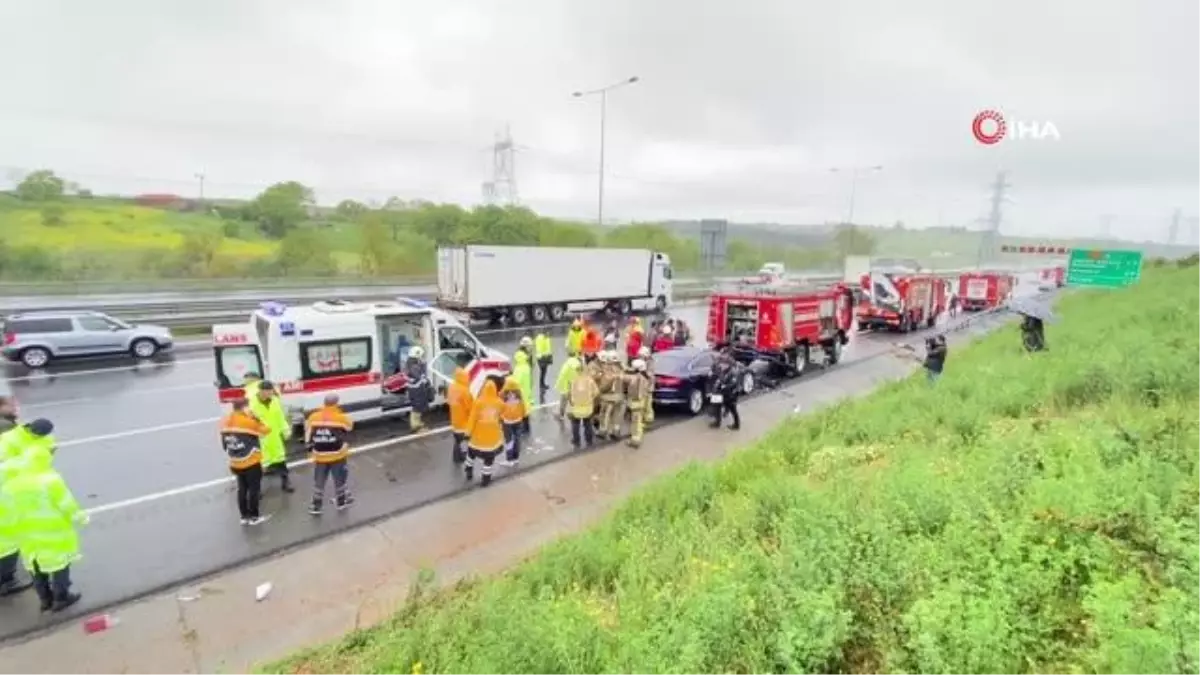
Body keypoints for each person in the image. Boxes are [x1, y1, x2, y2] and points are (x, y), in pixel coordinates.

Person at [4, 418, 85, 611]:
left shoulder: (13, 483)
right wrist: (80, 517)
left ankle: (44, 600)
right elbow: (67, 503)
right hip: (54, 533)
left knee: (35, 567)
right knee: (60, 565)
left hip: (27, 536)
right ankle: (61, 598)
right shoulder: (50, 479)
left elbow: (9, 510)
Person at [0, 401, 34, 597]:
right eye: (11, 406)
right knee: (8, 542)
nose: (16, 409)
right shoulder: (5, 429)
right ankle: (6, 582)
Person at [220, 398, 272, 525]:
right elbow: (266, 430)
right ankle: (254, 517)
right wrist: (256, 418)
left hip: (235, 462)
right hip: (250, 461)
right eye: (249, 407)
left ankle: (244, 517)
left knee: (242, 489)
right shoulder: (248, 422)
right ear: (244, 408)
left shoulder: (224, 421)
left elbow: (224, 444)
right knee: (254, 490)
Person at [305, 394, 355, 515]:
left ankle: (316, 506)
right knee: (339, 479)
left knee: (319, 480)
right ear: (336, 403)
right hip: (337, 454)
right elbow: (349, 427)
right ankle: (341, 502)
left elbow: (308, 432)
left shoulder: (313, 417)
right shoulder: (341, 418)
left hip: (320, 455)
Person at [250, 381, 294, 493]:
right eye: (267, 391)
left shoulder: (275, 400)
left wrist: (285, 430)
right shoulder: (252, 404)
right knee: (259, 465)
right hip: (261, 438)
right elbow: (249, 422)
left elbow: (280, 417)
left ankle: (286, 482)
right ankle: (256, 489)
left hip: (274, 437)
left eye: (271, 391)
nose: (270, 393)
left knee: (281, 460)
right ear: (260, 391)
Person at [464, 380, 505, 487]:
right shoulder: (499, 403)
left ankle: (468, 470)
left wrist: (468, 432)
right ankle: (485, 479)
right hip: (491, 440)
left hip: (477, 438)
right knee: (488, 461)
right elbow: (503, 412)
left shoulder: (478, 402)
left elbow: (472, 419)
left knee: (471, 454)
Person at [567, 360, 600, 449]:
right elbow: (596, 392)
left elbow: (569, 394)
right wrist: (591, 398)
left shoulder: (573, 380)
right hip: (587, 407)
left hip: (576, 407)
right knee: (587, 424)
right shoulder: (590, 380)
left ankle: (576, 441)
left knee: (575, 424)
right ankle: (589, 440)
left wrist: (572, 402)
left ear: (577, 370)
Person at [708, 354, 742, 431]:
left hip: (730, 394)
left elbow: (733, 384)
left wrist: (725, 386)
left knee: (733, 410)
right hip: (720, 393)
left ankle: (736, 425)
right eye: (721, 364)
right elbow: (719, 379)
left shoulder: (733, 372)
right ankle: (717, 422)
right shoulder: (721, 371)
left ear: (728, 364)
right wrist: (714, 389)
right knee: (716, 407)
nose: (722, 366)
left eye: (724, 364)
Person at [596, 350, 626, 440]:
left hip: (608, 397)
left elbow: (605, 384)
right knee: (617, 415)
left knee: (604, 414)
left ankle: (603, 431)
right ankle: (616, 431)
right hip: (619, 396)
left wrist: (599, 390)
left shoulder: (607, 369)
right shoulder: (621, 369)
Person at [623, 359, 653, 448]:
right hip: (641, 402)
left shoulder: (637, 378)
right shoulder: (646, 376)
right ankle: (635, 437)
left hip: (636, 403)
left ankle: (635, 440)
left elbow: (625, 379)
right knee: (637, 421)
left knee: (636, 422)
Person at [447, 366, 474, 464]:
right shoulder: (465, 391)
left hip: (455, 420)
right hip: (464, 422)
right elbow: (470, 408)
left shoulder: (452, 387)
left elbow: (449, 401)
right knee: (464, 442)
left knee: (457, 440)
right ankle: (463, 458)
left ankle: (456, 457)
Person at [499, 377, 527, 466]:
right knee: (517, 439)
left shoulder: (503, 397)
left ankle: (509, 459)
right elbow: (523, 409)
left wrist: (500, 419)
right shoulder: (519, 396)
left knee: (509, 440)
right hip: (518, 421)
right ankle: (516, 458)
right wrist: (522, 416)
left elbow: (500, 409)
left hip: (507, 422)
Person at [405, 346, 432, 432]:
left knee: (418, 407)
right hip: (416, 390)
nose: (422, 357)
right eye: (421, 356)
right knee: (417, 407)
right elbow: (420, 376)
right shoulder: (414, 366)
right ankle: (415, 427)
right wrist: (424, 366)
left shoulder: (411, 364)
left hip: (414, 389)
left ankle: (417, 424)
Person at [511, 349, 534, 434]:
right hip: (526, 390)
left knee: (521, 410)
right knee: (526, 410)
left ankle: (525, 429)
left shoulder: (519, 368)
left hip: (520, 391)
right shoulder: (526, 366)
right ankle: (527, 427)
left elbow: (517, 381)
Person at [554, 353, 582, 420]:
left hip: (567, 385)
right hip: (573, 385)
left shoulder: (567, 364)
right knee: (572, 400)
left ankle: (561, 415)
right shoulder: (578, 363)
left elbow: (562, 375)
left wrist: (558, 385)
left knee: (564, 400)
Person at [638, 346, 657, 425]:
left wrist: (643, 371)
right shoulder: (642, 361)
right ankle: (643, 418)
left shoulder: (650, 362)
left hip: (648, 386)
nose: (640, 357)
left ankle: (648, 419)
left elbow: (650, 375)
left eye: (642, 355)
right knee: (642, 403)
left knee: (648, 404)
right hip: (643, 386)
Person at [534, 331, 553, 403]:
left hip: (544, 357)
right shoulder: (541, 339)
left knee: (544, 372)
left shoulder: (544, 339)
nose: (548, 335)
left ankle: (542, 384)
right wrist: (546, 354)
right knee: (543, 371)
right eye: (547, 334)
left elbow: (548, 348)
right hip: (542, 357)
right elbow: (541, 349)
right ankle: (541, 385)